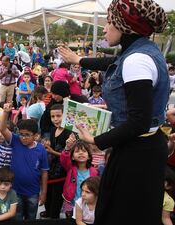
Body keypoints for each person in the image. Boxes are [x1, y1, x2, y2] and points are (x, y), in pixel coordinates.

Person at [58, 0, 169, 224]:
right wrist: (79, 59)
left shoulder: (136, 60)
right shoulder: (143, 51)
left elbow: (138, 121)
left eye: (109, 22)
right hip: (145, 147)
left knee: (121, 214)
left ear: (125, 26)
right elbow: (113, 62)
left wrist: (97, 140)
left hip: (136, 152)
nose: (104, 28)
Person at [0, 104, 49, 220]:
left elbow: (44, 172)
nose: (23, 138)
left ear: (36, 136)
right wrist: (6, 113)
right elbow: (1, 129)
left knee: (31, 217)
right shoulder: (15, 141)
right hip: (15, 191)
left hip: (33, 192)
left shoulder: (41, 149)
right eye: (21, 134)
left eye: (27, 135)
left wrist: (44, 192)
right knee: (17, 217)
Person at [42, 104, 72, 219]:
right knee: (48, 200)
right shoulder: (53, 129)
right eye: (53, 116)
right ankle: (48, 213)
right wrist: (47, 144)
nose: (55, 119)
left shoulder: (70, 133)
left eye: (58, 116)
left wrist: (52, 151)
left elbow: (70, 156)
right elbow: (52, 146)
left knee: (56, 203)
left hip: (62, 175)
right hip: (50, 172)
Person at [60, 136, 98, 218]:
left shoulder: (94, 171)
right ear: (72, 157)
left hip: (88, 204)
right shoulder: (71, 168)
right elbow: (64, 159)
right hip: (71, 203)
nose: (81, 153)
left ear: (89, 156)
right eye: (77, 151)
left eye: (84, 151)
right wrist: (67, 147)